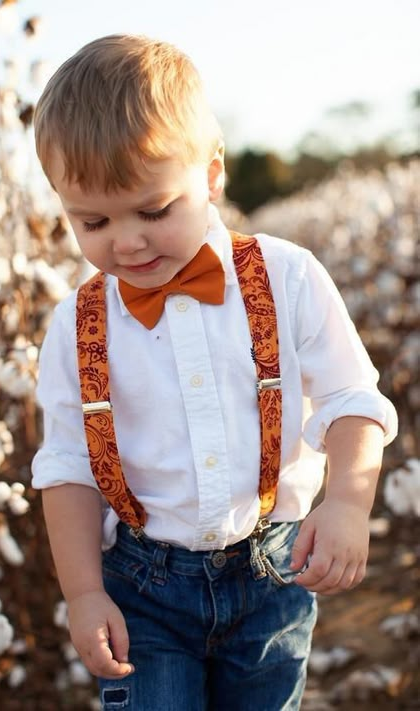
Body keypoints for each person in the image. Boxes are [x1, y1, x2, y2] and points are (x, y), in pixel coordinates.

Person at [31, 34, 397, 710]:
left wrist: (348, 498)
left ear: (212, 174)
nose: (128, 239)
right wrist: (84, 593)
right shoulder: (76, 327)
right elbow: (68, 467)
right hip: (141, 590)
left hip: (274, 576)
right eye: (93, 221)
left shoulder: (287, 278)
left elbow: (352, 398)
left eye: (154, 209)